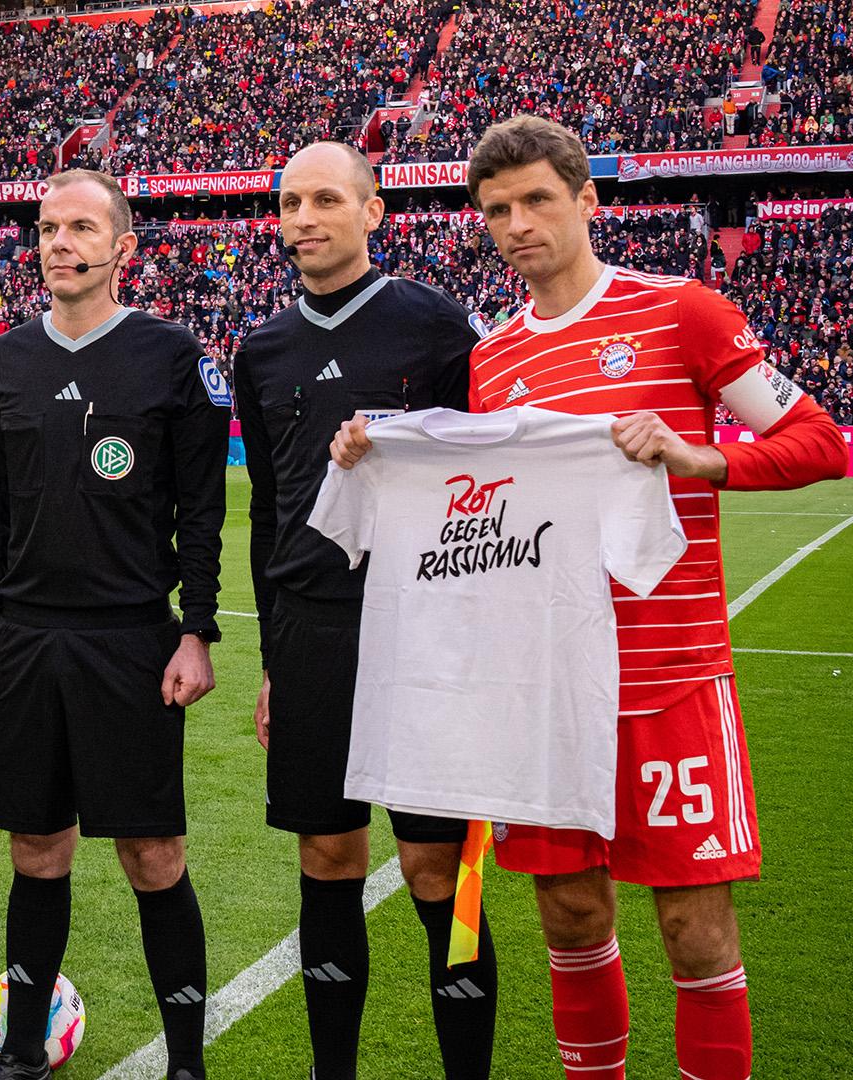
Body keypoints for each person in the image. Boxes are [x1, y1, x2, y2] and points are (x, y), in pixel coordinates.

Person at [332, 116, 846, 1080]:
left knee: (695, 927)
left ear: (588, 200)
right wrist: (373, 457)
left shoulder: (684, 311)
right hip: (552, 691)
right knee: (569, 915)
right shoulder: (497, 361)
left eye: (536, 200)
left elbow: (817, 441)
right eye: (496, 210)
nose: (517, 223)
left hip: (671, 682)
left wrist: (700, 456)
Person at [235, 141, 497, 1080]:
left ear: (373, 210)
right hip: (310, 629)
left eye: (324, 200)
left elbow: (484, 481)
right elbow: (267, 510)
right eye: (289, 202)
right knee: (329, 854)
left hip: (421, 621)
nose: (302, 218)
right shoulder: (260, 347)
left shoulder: (434, 327)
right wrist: (271, 655)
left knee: (436, 872)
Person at [0, 170, 228, 1080]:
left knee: (152, 853)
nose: (58, 243)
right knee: (36, 848)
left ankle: (187, 1060)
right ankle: (25, 1050)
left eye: (80, 227)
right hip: (31, 638)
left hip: (130, 637)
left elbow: (200, 511)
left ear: (124, 248)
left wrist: (196, 629)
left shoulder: (169, 354)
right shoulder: (5, 360)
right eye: (45, 228)